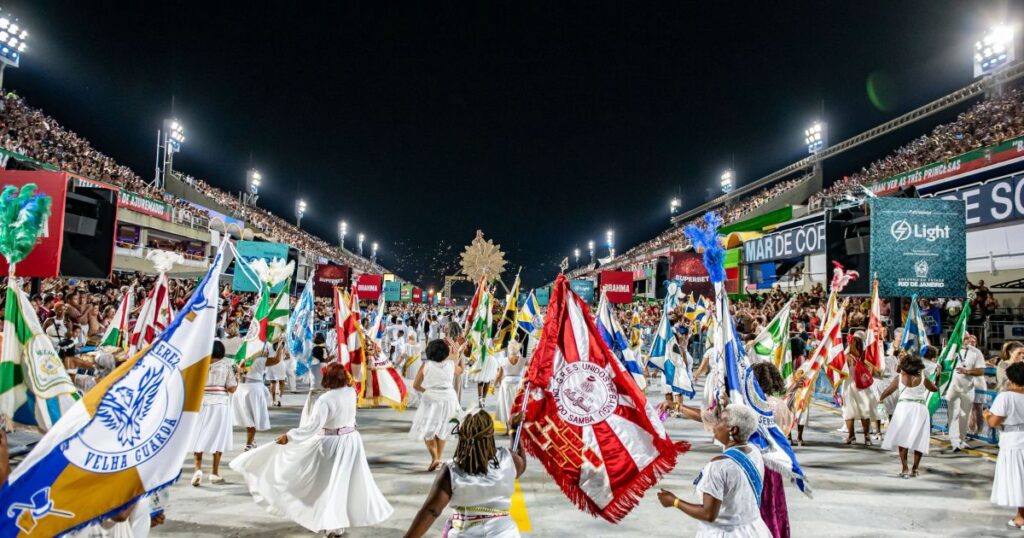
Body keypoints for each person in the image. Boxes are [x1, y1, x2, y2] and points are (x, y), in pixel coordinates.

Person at [231, 362, 393, 537]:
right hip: (352, 440)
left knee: (325, 483)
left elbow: (313, 426)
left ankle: (332, 523)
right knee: (343, 482)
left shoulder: (326, 399)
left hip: (331, 444)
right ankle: (336, 522)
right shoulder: (351, 392)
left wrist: (290, 436)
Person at [404, 409, 527, 538]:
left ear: (461, 436)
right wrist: (513, 429)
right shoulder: (509, 460)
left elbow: (432, 511)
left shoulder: (451, 470)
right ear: (491, 435)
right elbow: (520, 459)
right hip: (505, 534)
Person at [657, 404, 771, 538]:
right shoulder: (754, 452)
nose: (715, 423)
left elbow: (708, 514)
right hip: (754, 529)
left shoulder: (719, 466)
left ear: (732, 430)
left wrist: (674, 501)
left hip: (725, 533)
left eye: (721, 420)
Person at [879, 352, 941, 478]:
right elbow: (934, 389)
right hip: (920, 409)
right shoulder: (923, 378)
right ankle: (915, 469)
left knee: (903, 439)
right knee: (919, 439)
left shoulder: (899, 378)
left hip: (904, 409)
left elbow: (887, 391)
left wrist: (880, 399)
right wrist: (938, 377)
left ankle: (905, 468)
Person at [410, 339, 464, 471]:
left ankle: (435, 458)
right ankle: (438, 459)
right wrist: (460, 356)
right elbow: (461, 370)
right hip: (449, 399)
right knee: (443, 430)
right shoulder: (451, 365)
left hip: (431, 399)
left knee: (427, 430)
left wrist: (426, 390)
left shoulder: (425, 366)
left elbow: (416, 385)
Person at [751, 362, 792, 538]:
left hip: (755, 461)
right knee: (774, 505)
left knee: (757, 506)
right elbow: (787, 429)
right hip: (775, 462)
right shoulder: (780, 405)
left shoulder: (754, 406)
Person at [191, 340, 237, 487]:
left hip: (201, 402)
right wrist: (239, 377)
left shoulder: (200, 363)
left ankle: (197, 469)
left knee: (198, 435)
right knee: (219, 437)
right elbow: (231, 388)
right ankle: (214, 472)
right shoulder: (227, 365)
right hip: (220, 404)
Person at [985, 362, 1024, 529]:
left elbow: (994, 422)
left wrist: (986, 414)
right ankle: (1020, 516)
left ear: (1011, 379)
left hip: (1014, 441)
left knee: (1018, 480)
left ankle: (1021, 518)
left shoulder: (1006, 397)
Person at [233, 340, 283, 450]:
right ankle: (249, 444)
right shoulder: (260, 359)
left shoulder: (241, 358)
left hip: (242, 389)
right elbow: (276, 359)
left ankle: (251, 441)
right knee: (252, 419)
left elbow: (237, 372)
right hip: (254, 389)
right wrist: (280, 345)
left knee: (248, 418)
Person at [945, 333, 986, 451]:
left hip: (968, 387)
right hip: (952, 387)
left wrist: (966, 371)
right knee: (953, 414)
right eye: (963, 338)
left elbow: (981, 371)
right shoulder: (949, 349)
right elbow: (942, 366)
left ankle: (962, 440)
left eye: (967, 338)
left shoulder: (976, 352)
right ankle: (954, 441)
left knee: (965, 415)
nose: (966, 340)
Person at [842, 335, 878, 445]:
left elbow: (841, 371)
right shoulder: (865, 357)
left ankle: (851, 436)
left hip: (849, 385)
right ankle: (867, 438)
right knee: (865, 411)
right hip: (863, 387)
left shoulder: (847, 357)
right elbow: (872, 371)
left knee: (849, 411)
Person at [495, 340, 527, 429]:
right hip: (519, 383)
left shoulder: (503, 360)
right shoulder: (523, 360)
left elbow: (499, 375)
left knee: (506, 406)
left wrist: (494, 385)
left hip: (506, 384)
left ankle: (508, 427)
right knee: (518, 405)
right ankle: (518, 426)